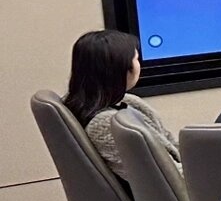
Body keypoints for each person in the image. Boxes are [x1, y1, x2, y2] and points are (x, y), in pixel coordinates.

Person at [64, 30, 177, 182]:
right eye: (136, 59)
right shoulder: (107, 124)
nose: (139, 65)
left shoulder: (126, 103)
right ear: (120, 68)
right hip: (185, 191)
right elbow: (161, 177)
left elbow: (171, 145)